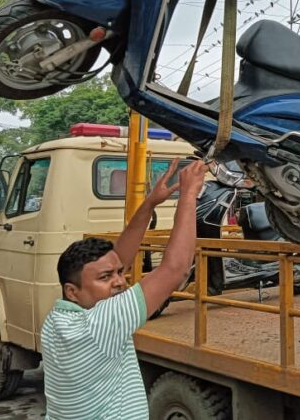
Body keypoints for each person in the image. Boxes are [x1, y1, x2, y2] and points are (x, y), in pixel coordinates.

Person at [41, 159, 206, 420]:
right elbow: (176, 269)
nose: (120, 281)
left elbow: (119, 257)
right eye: (106, 277)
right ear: (72, 291)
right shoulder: (99, 324)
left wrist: (150, 204)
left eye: (119, 273)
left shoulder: (57, 321)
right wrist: (189, 195)